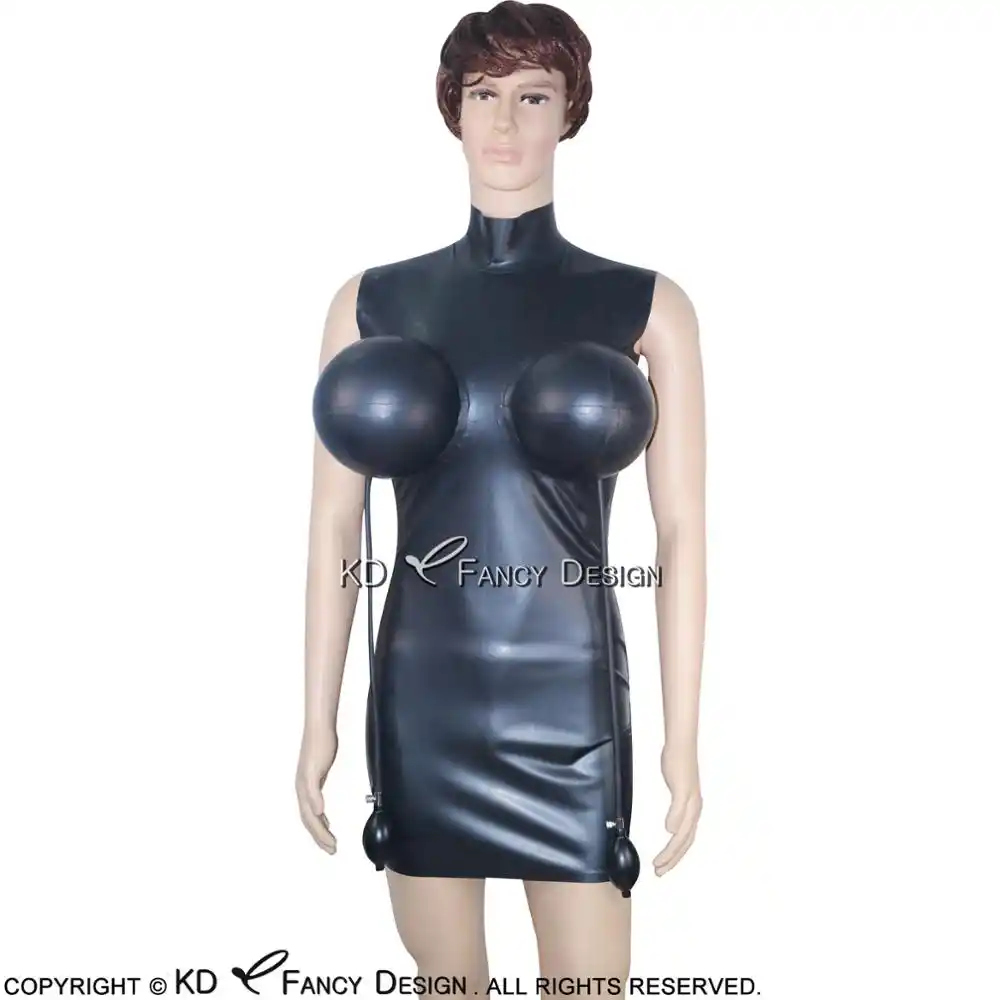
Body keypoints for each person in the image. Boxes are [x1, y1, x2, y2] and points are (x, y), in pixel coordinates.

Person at [297, 2, 706, 991]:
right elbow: (335, 525)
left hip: (570, 705)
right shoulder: (370, 303)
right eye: (484, 94)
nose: (506, 123)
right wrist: (318, 718)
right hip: (423, 698)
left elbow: (681, 530)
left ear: (570, 112)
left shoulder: (647, 306)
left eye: (533, 96)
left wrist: (683, 738)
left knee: (589, 984)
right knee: (448, 983)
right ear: (453, 109)